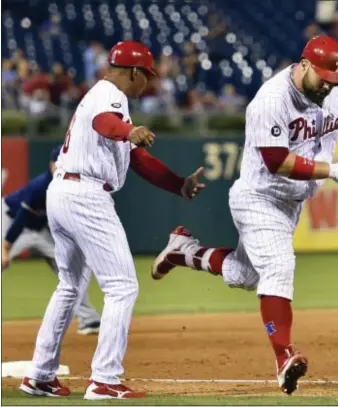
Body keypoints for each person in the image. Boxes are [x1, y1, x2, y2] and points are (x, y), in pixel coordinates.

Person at [151, 36, 338, 395]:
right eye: (324, 79)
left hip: (290, 205)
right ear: (303, 66)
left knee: (245, 275)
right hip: (258, 196)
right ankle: (284, 355)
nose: (329, 86)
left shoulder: (336, 92)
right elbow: (276, 161)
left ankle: (183, 250)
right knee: (279, 267)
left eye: (335, 81)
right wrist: (328, 169)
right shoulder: (271, 100)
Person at [19, 40, 205, 400]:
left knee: (70, 286)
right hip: (87, 195)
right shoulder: (110, 95)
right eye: (146, 77)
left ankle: (40, 375)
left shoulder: (103, 96)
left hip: (64, 193)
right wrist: (127, 131)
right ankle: (105, 379)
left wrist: (178, 185)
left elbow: (137, 160)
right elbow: (106, 124)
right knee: (121, 286)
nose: (147, 84)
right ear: (134, 71)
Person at [2, 145, 101, 335]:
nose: (59, 167)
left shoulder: (72, 188)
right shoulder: (41, 187)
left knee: (70, 269)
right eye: (57, 163)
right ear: (51, 164)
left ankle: (89, 319)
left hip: (39, 229)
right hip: (10, 220)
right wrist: (5, 250)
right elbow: (21, 219)